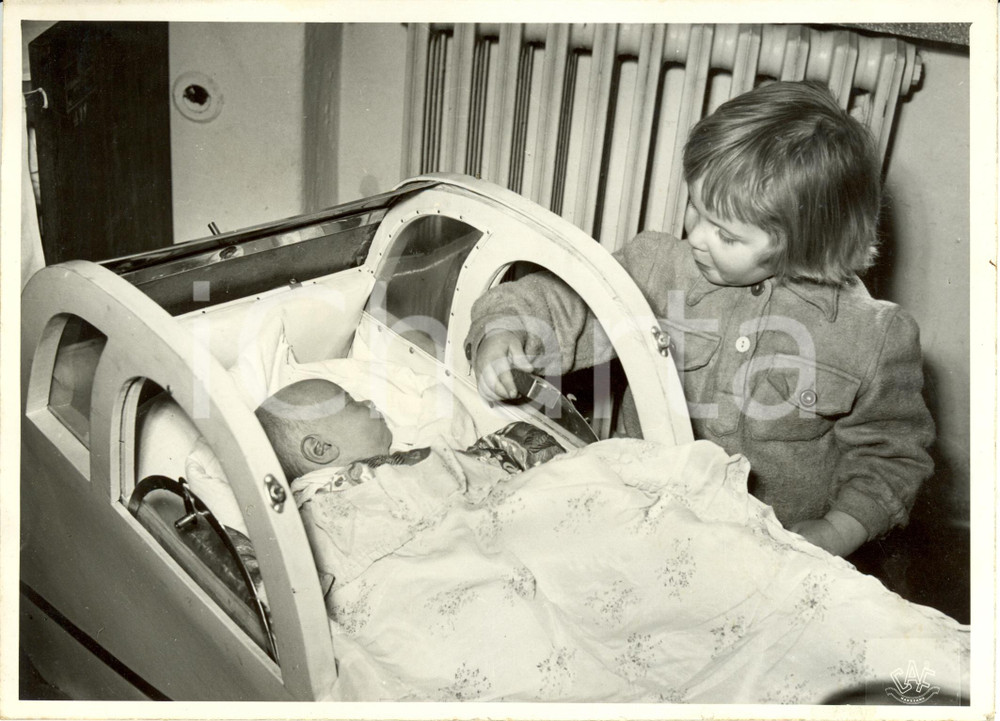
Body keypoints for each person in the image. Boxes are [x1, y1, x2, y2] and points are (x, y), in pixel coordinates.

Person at [465, 80, 934, 558]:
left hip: (768, 555)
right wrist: (503, 330)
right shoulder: (656, 266)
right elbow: (564, 302)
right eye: (695, 206)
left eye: (726, 235)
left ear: (807, 242)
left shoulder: (874, 337)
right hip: (637, 518)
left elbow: (891, 458)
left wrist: (837, 531)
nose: (696, 236)